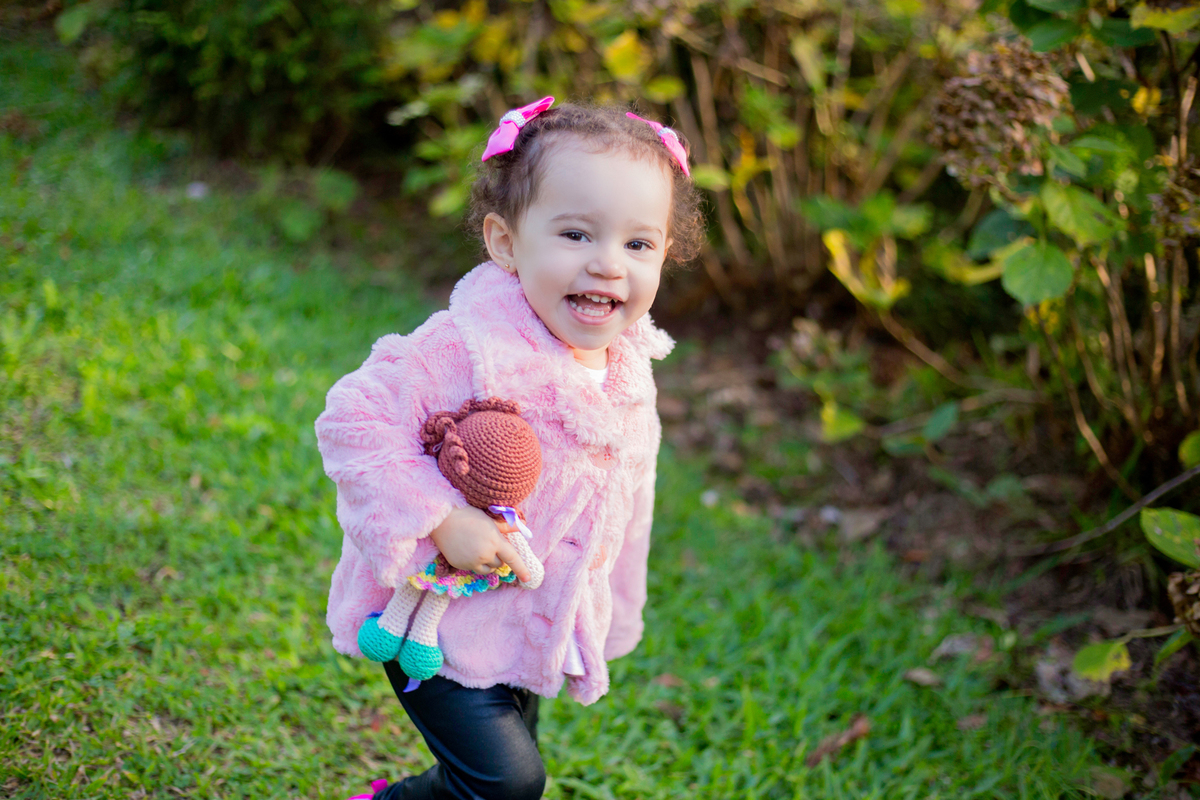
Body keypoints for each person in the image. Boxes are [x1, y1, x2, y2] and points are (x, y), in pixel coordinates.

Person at [316, 98, 704, 800]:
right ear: (505, 243)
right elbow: (352, 419)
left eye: (638, 244)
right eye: (576, 234)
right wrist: (440, 517)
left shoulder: (628, 375)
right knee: (507, 782)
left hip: (527, 629)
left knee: (483, 783)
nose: (607, 264)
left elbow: (626, 507)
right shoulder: (463, 346)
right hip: (431, 618)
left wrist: (613, 613)